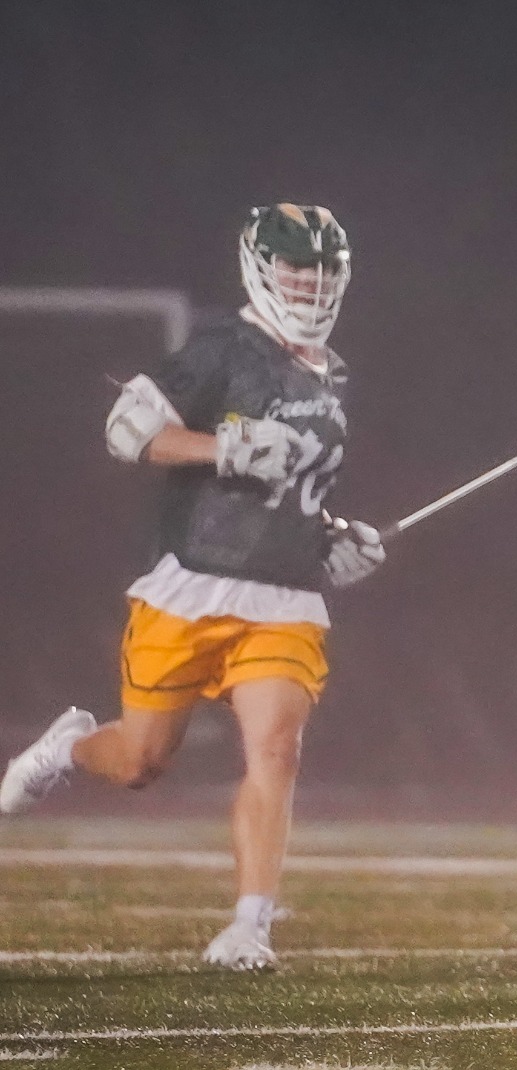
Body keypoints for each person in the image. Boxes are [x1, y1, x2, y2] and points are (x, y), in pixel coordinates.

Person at [0, 203, 386, 970]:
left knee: (275, 749)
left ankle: (250, 926)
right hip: (192, 587)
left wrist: (337, 540)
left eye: (321, 272)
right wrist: (226, 449)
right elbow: (128, 432)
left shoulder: (332, 373)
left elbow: (296, 494)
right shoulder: (222, 348)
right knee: (141, 762)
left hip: (283, 598)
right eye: (295, 271)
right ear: (261, 268)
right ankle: (69, 750)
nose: (309, 286)